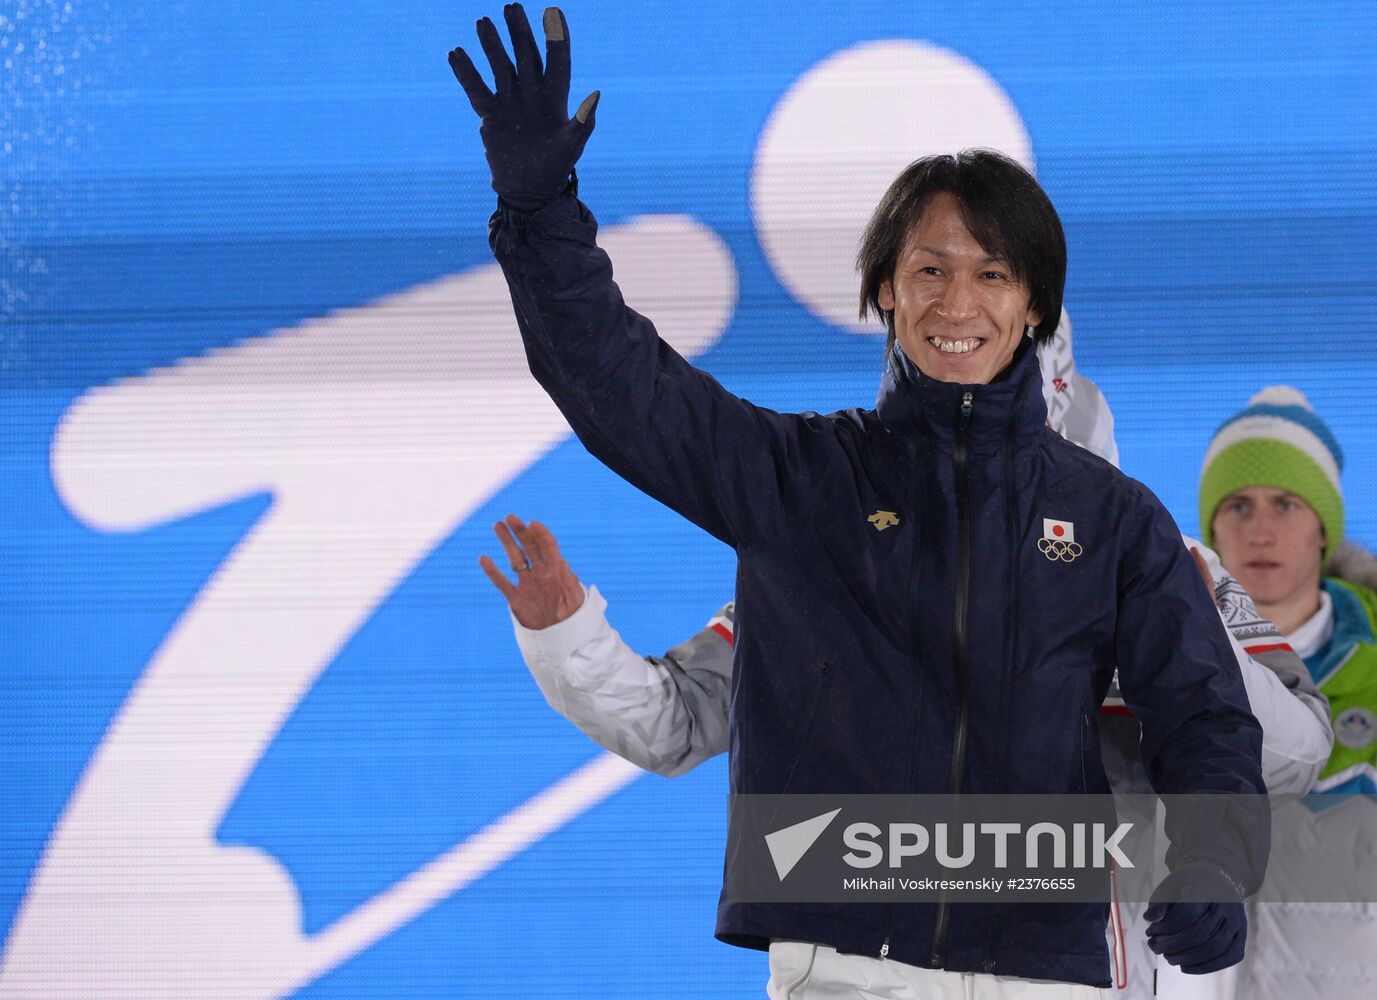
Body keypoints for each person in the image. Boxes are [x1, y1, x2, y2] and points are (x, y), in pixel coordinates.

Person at [449, 7, 1268, 994]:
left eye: (992, 275)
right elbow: (622, 389)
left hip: (1043, 972)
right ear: (884, 289)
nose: (957, 305)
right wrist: (541, 215)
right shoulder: (801, 480)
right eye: (929, 270)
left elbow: (1204, 715)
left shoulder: (1114, 519)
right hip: (843, 968)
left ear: (1035, 307)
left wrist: (1218, 861)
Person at [482, 357, 1332, 1000]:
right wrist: (567, 635)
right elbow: (675, 722)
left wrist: (1160, 641)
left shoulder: (1161, 563)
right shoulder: (832, 562)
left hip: (1119, 965)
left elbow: (1295, 751)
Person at [1199, 385, 1377, 999]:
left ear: (1324, 527)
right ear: (1212, 529)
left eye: (1286, 504)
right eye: (1239, 506)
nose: (1261, 531)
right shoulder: (1154, 656)